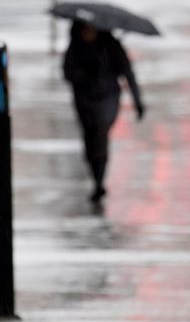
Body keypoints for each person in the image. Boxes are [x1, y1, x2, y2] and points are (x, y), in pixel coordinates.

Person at [62, 21, 145, 203]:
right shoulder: (75, 47)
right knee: (89, 139)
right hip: (84, 100)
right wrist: (83, 74)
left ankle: (99, 181)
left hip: (108, 98)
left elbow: (127, 73)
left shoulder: (112, 46)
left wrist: (137, 100)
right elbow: (67, 72)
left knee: (101, 134)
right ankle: (95, 174)